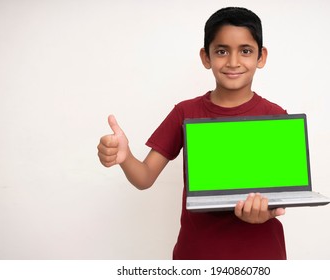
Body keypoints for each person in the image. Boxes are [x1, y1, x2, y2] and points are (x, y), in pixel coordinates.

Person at [97, 7, 287, 259]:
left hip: (262, 256)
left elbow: (283, 198)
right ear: (205, 57)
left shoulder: (275, 116)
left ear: (261, 57)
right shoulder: (185, 112)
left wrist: (267, 212)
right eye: (221, 51)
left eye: (245, 51)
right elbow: (144, 178)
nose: (233, 61)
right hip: (197, 255)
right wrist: (125, 157)